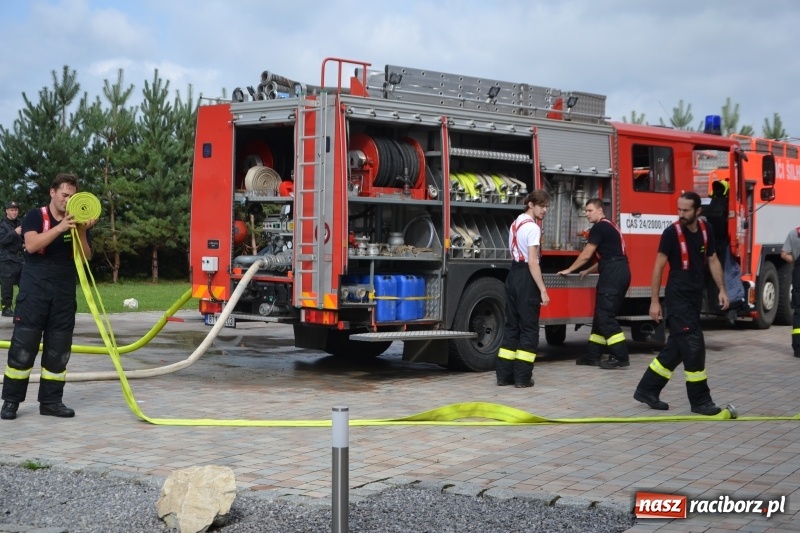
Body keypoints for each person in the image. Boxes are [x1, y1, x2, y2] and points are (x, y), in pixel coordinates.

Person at [1, 174, 97, 420]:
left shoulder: (78, 220)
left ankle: (51, 402)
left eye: (72, 196)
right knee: (24, 347)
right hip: (35, 288)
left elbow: (85, 256)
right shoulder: (36, 215)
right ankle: (11, 401)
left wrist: (82, 231)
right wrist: (61, 227)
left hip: (63, 290)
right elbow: (32, 245)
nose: (68, 200)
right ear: (52, 193)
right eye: (64, 195)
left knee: (59, 349)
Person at [633, 191, 730, 416]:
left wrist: (722, 289)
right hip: (678, 297)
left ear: (698, 211)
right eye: (679, 209)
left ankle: (647, 389)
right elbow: (658, 267)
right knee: (694, 345)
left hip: (694, 296)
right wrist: (654, 301)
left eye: (686, 210)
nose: (681, 214)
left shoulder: (706, 230)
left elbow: (713, 259)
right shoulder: (671, 233)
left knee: (677, 347)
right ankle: (700, 401)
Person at [557, 198, 631, 369]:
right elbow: (608, 257)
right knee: (600, 317)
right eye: (586, 211)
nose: (587, 214)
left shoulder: (599, 227)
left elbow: (586, 254)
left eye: (590, 210)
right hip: (619, 271)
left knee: (605, 316)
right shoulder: (610, 226)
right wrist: (588, 271)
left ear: (600, 210)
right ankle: (593, 355)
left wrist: (569, 269)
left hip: (612, 275)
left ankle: (620, 356)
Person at [495, 190, 550, 388]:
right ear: (531, 205)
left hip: (513, 275)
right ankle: (522, 378)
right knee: (529, 329)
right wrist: (543, 290)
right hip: (526, 278)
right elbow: (533, 262)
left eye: (546, 206)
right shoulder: (533, 228)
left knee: (511, 326)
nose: (544, 210)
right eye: (541, 206)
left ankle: (504, 375)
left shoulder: (515, 224)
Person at [0, 201, 24, 317]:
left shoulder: (20, 223)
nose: (14, 212)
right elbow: (2, 240)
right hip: (7, 259)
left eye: (16, 210)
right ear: (7, 211)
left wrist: (25, 243)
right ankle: (6, 308)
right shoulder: (2, 224)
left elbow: (23, 237)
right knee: (7, 286)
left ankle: (23, 307)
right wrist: (14, 232)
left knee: (25, 284)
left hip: (20, 258)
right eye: (12, 210)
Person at [780, 227, 800, 358]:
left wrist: (795, 259)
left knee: (798, 312)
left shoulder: (795, 233)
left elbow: (783, 254)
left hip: (799, 274)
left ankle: (798, 348)